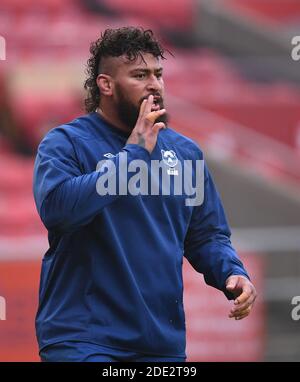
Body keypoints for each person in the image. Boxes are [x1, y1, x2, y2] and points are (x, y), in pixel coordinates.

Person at [33, 27, 257, 362]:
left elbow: (206, 234)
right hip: (83, 339)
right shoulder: (66, 143)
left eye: (158, 74)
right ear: (106, 85)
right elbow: (58, 211)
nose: (154, 84)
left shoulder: (185, 153)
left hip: (160, 346)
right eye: (140, 75)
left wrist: (231, 271)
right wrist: (132, 156)